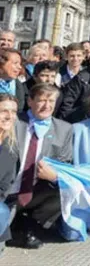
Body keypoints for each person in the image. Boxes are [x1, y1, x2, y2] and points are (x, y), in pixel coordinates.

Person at [8, 84, 73, 248]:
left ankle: (30, 223)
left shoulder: (64, 129)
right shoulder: (13, 122)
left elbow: (66, 164)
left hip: (36, 189)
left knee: (64, 190)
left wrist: (54, 175)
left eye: (51, 100)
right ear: (30, 101)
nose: (47, 105)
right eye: (42, 100)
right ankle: (13, 226)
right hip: (8, 189)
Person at [0, 94, 19, 251]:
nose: (9, 116)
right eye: (3, 111)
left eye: (13, 112)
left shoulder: (11, 148)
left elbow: (4, 187)